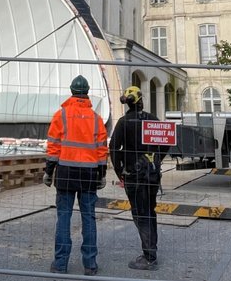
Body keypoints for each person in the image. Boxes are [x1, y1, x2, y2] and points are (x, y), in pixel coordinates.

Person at [44, 75, 108, 276]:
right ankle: (90, 265)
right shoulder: (96, 119)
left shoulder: (60, 115)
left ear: (71, 91)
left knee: (64, 217)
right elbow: (101, 149)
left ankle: (60, 264)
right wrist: (102, 173)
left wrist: (48, 171)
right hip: (89, 174)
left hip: (65, 172)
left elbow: (53, 146)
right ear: (87, 93)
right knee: (89, 217)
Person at [109, 85, 165, 271]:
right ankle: (151, 251)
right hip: (152, 176)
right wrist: (156, 160)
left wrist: (120, 172)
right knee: (149, 211)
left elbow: (114, 149)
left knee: (140, 215)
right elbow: (166, 142)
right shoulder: (152, 120)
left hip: (133, 176)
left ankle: (149, 256)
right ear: (141, 101)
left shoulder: (124, 123)